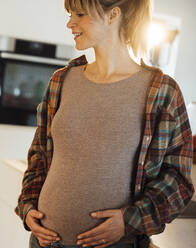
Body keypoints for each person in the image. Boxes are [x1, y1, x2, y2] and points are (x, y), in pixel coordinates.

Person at [15, 0, 194, 248]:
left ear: (113, 15)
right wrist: (28, 207)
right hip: (44, 242)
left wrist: (128, 221)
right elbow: (39, 157)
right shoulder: (61, 81)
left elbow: (178, 180)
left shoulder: (162, 91)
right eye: (70, 14)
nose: (70, 23)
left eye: (79, 14)